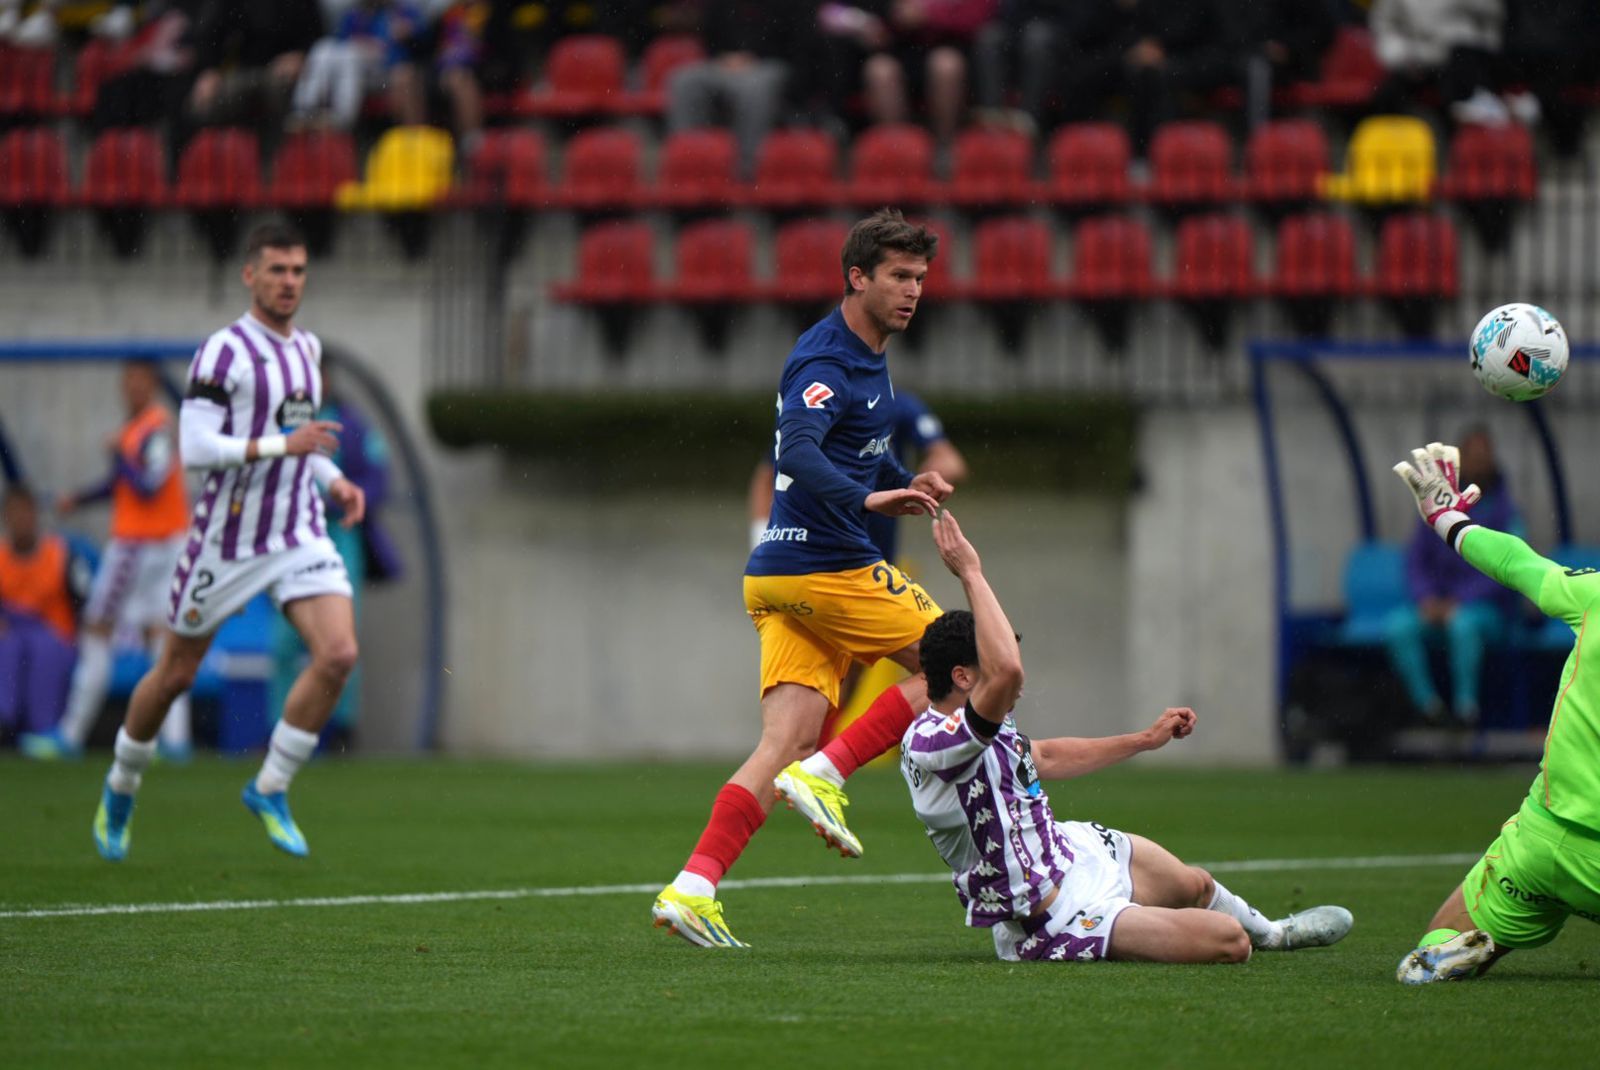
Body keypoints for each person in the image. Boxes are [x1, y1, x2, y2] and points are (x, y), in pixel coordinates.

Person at [652, 209, 955, 947]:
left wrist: (894, 475)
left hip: (779, 580)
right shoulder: (826, 359)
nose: (913, 291)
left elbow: (855, 447)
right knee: (968, 662)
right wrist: (866, 499)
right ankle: (832, 769)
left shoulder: (868, 351)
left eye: (920, 278)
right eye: (898, 278)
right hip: (825, 566)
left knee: (780, 741)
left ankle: (693, 886)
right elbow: (798, 450)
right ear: (857, 277)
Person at [903, 508, 1355, 964]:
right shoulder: (935, 744)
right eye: (993, 668)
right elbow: (1008, 671)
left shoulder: (977, 725)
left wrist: (1143, 739)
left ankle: (1276, 933)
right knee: (1229, 942)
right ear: (963, 676)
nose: (1017, 685)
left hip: (1073, 852)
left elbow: (1043, 755)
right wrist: (971, 572)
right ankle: (1131, 923)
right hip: (1052, 918)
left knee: (1195, 885)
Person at [90, 221, 366, 864]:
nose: (289, 282)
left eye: (298, 270)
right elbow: (197, 448)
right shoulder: (223, 353)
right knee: (175, 673)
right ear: (250, 275)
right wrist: (283, 447)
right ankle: (121, 783)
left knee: (338, 654)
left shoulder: (306, 351)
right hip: (227, 540)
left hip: (296, 530)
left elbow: (302, 442)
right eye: (276, 270)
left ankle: (270, 786)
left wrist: (333, 479)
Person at [1392, 442, 1600, 982]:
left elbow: (1518, 563)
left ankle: (1451, 953)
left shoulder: (1595, 597)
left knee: (1437, 940)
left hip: (1543, 844)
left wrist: (1448, 519)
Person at [748, 388, 967, 742]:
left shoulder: (894, 408)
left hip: (858, 560)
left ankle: (810, 764)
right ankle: (827, 764)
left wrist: (913, 481)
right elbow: (770, 470)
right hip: (831, 563)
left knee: (834, 688)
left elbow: (950, 461)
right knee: (954, 661)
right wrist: (762, 538)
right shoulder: (818, 411)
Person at [21, 362, 193, 761]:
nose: (132, 388)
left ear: (151, 385)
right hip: (159, 546)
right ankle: (175, 740)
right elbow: (122, 485)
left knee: (98, 629)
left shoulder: (156, 427)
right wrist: (77, 499)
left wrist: (118, 455)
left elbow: (145, 486)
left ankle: (72, 734)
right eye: (127, 381)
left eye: (139, 381)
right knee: (159, 637)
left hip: (141, 547)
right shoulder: (138, 430)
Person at [268, 370, 396, 748]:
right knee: (284, 640)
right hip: (293, 536)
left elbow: (376, 476)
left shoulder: (351, 424)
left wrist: (350, 498)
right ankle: (280, 726)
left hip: (339, 534)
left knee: (341, 639)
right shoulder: (283, 422)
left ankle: (341, 728)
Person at [1384, 427, 1519, 726]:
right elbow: (1416, 560)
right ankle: (1428, 708)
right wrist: (1427, 597)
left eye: (1485, 456)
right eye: (1472, 456)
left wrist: (1461, 601)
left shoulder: (1504, 511)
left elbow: (1510, 564)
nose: (1479, 463)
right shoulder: (1438, 506)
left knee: (1463, 625)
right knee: (1399, 627)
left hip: (1486, 610)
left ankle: (1465, 710)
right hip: (1437, 605)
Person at [0, 484, 89, 742]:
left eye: (27, 512)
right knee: (8, 647)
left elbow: (85, 602)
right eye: (15, 513)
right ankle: (5, 724)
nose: (22, 519)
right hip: (12, 634)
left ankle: (44, 731)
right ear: (6, 517)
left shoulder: (62, 555)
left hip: (53, 634)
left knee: (42, 651)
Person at [289, 0, 426, 131]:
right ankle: (305, 108)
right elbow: (338, 42)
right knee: (323, 47)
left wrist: (409, 32)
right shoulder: (355, 14)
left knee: (351, 55)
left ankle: (341, 117)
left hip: (386, 70)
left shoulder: (402, 11)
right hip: (355, 69)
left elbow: (425, 38)